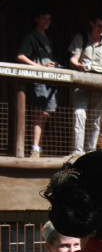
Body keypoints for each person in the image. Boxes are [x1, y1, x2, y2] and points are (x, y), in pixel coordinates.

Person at [67, 15, 102, 156]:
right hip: (82, 84)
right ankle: (77, 152)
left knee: (96, 119)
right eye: (99, 26)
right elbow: (73, 59)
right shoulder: (81, 38)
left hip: (101, 86)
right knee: (79, 114)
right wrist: (79, 65)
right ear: (92, 24)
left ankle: (90, 153)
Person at [17, 9, 59, 159]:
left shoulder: (47, 38)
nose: (47, 21)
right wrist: (40, 67)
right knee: (39, 113)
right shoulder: (31, 37)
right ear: (36, 19)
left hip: (50, 80)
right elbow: (21, 56)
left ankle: (39, 148)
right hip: (39, 80)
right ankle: (34, 149)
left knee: (46, 114)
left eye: (49, 19)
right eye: (44, 18)